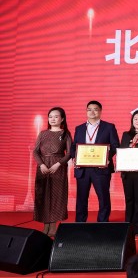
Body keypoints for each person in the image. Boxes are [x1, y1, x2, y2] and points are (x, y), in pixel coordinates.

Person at [71, 100, 120, 223]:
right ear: (86, 111)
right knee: (81, 199)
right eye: (89, 109)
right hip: (82, 169)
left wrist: (107, 158)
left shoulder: (109, 127)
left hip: (101, 169)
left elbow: (115, 145)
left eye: (95, 109)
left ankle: (102, 224)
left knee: (103, 198)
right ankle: (80, 224)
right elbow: (74, 146)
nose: (92, 112)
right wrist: (74, 157)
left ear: (100, 111)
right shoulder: (79, 128)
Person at [33, 107, 72, 237]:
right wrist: (41, 165)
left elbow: (70, 153)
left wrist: (59, 164)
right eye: (50, 117)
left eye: (56, 116)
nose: (53, 119)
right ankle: (46, 225)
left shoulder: (65, 134)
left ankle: (53, 226)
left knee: (57, 196)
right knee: (43, 195)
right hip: (43, 168)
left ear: (62, 119)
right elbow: (35, 151)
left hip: (58, 167)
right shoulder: (43, 134)